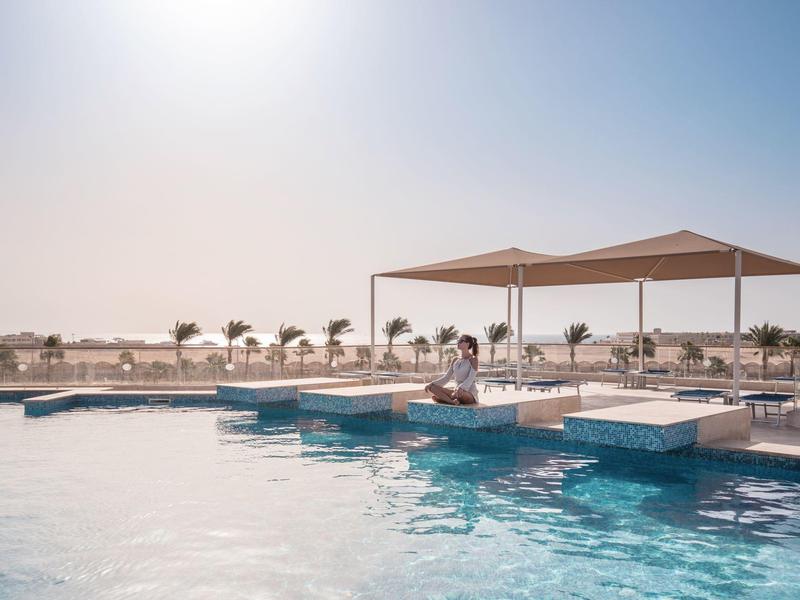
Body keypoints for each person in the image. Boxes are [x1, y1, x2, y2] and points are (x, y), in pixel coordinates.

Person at [424, 335, 479, 405]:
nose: (458, 343)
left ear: (468, 344)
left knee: (458, 394)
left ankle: (445, 399)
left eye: (461, 341)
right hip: (455, 391)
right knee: (432, 388)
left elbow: (470, 379)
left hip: (468, 394)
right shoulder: (455, 359)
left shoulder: (473, 359)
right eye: (458, 341)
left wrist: (461, 388)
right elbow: (446, 378)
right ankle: (452, 402)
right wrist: (431, 384)